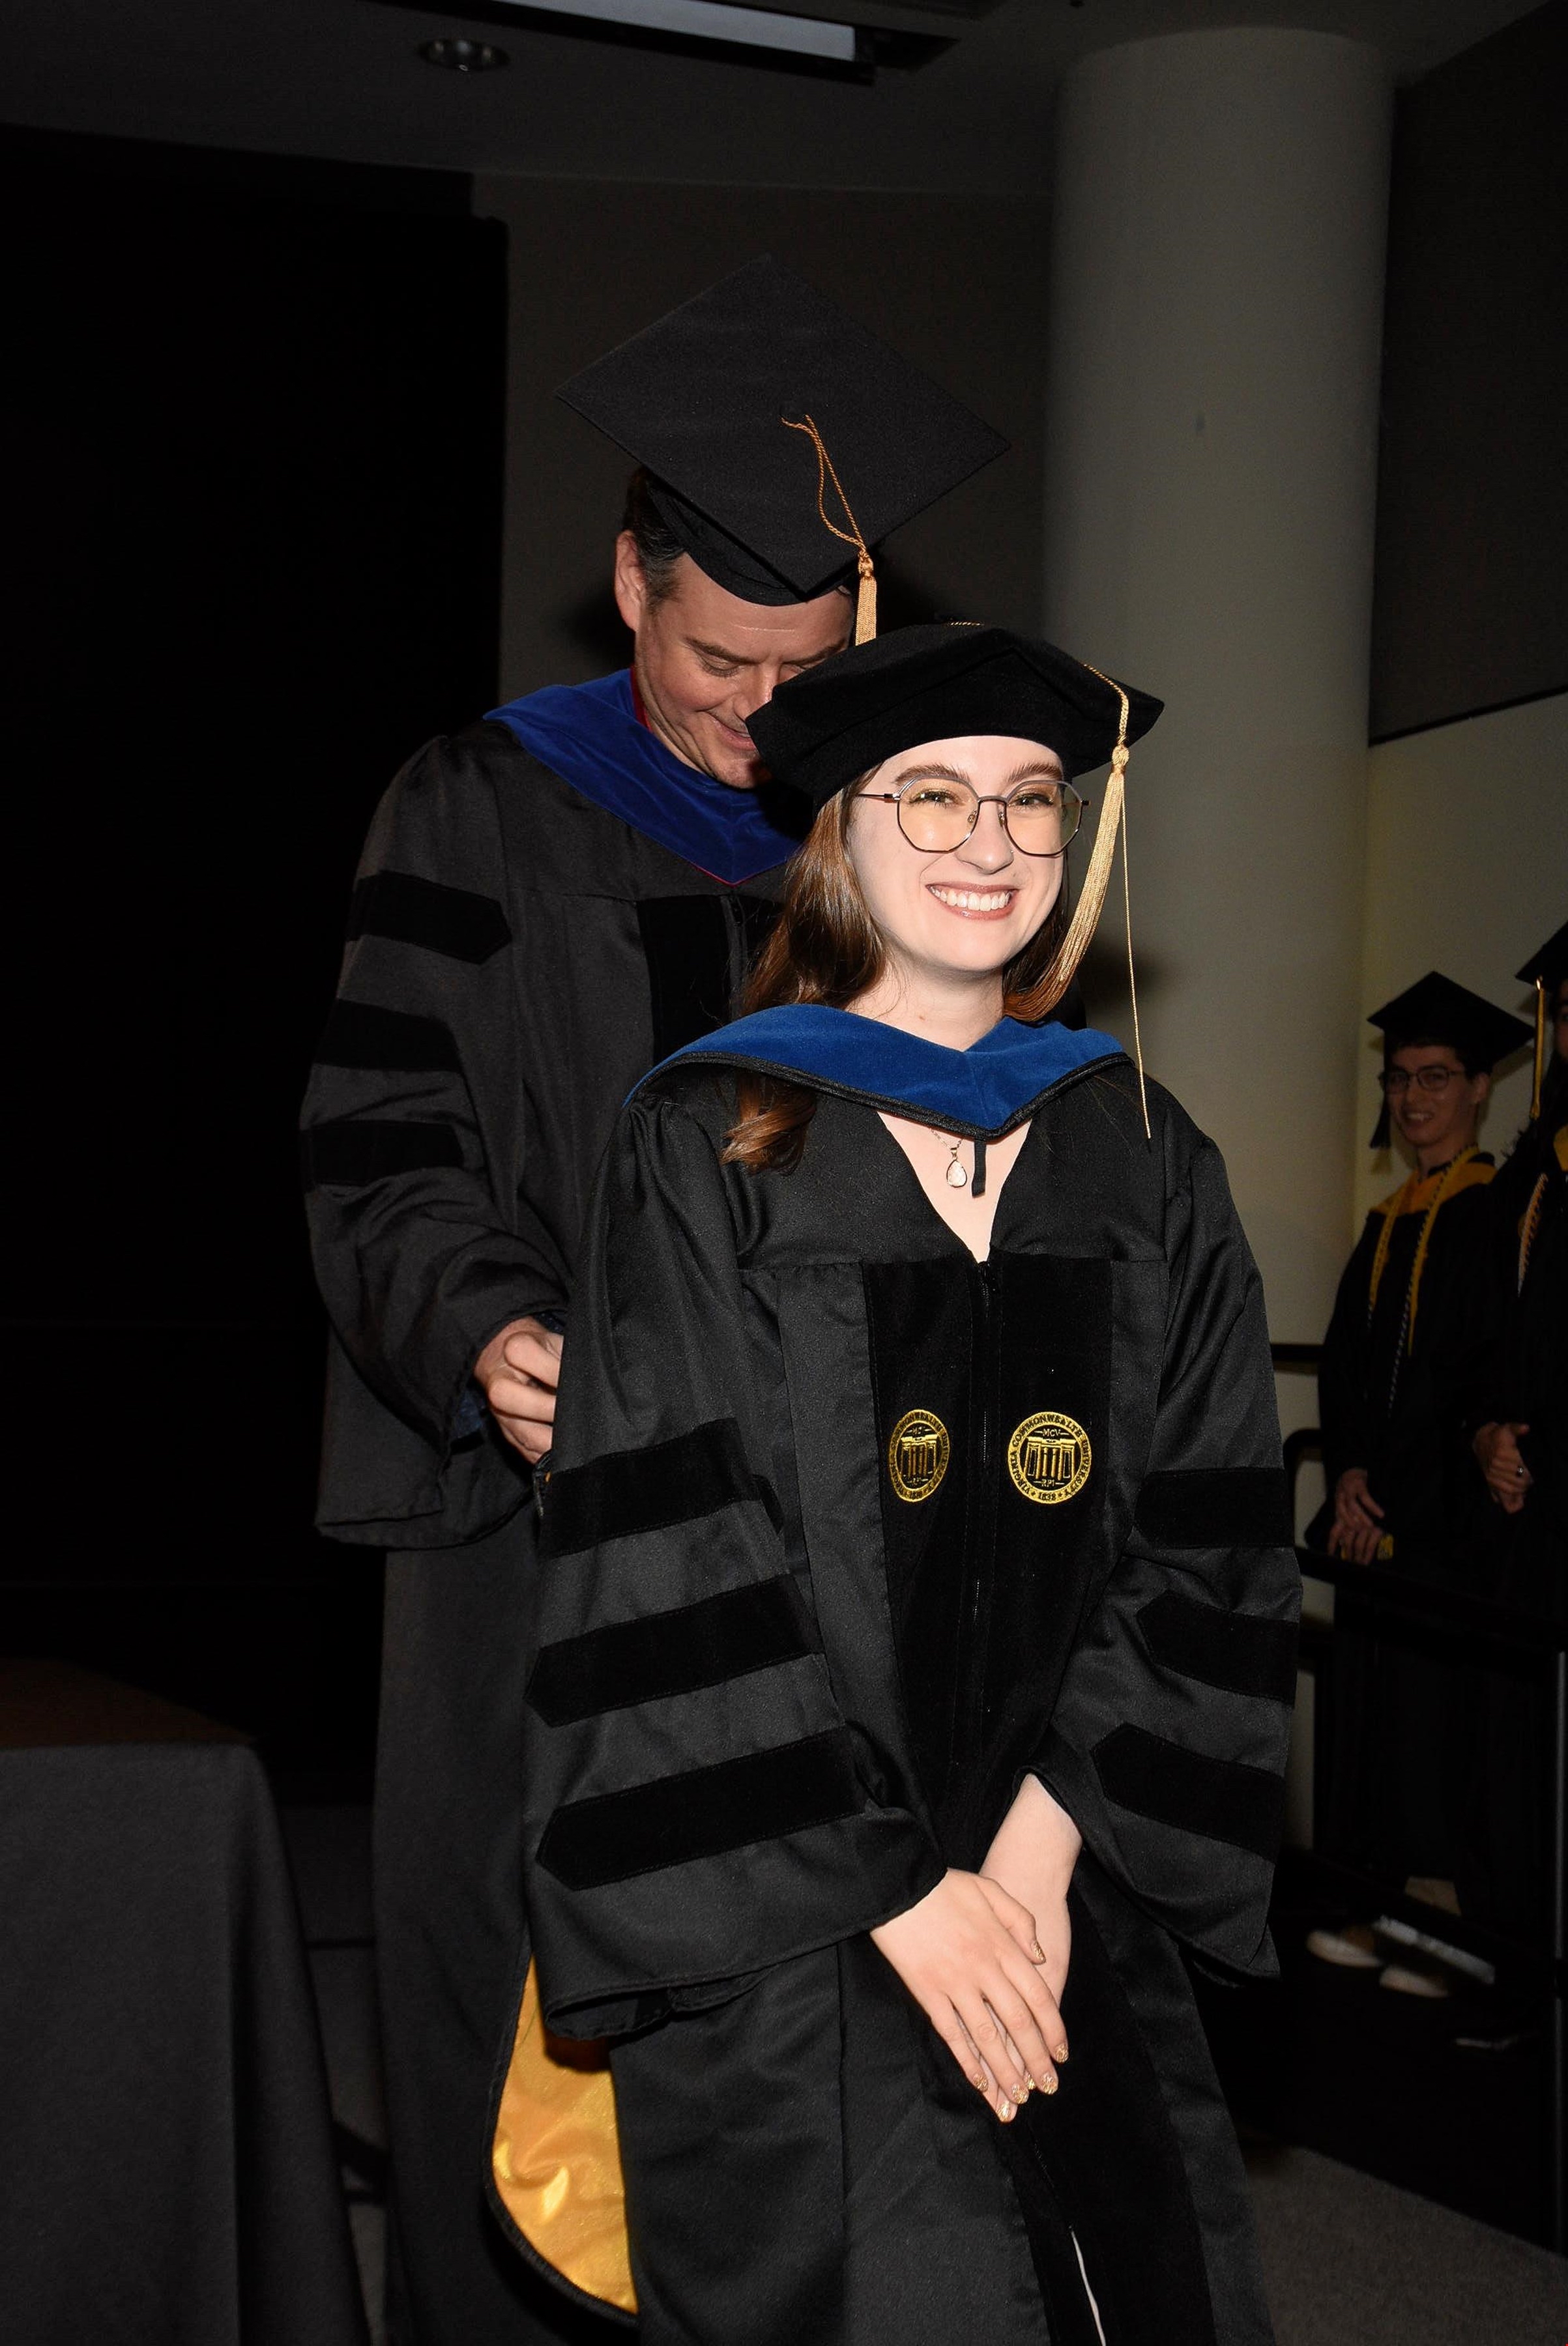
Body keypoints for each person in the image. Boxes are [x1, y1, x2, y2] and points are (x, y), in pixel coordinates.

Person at [300, 259, 1005, 2344]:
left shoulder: (901, 842)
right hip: (544, 1521)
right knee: (511, 1996)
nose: (752, 716)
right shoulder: (480, 803)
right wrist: (488, 1334)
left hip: (825, 1538)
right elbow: (378, 1138)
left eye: (800, 668)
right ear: (629, 583)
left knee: (806, 1996)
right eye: (714, 658)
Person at [511, 623, 1299, 2346]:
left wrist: (1034, 1845)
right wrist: (894, 1886)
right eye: (926, 795)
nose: (987, 841)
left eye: (1027, 801)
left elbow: (1210, 1530)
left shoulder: (1146, 1153)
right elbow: (670, 1555)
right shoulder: (713, 1141)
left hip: (1065, 1869)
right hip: (796, 1904)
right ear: (838, 832)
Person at [1307, 974, 1530, 1985]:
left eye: (1434, 1077)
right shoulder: (1386, 1219)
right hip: (1378, 1516)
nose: (1412, 1098)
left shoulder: (1499, 1216)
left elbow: (1481, 1377)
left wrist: (1396, 1496)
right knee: (1370, 1717)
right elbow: (1352, 1375)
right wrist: (1348, 1472)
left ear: (1481, 1088)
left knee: (1441, 1727)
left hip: (1449, 1529)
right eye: (1399, 1079)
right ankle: (1375, 1899)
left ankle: (1447, 1926)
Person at [1459, 920, 1568, 1940]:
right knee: (1519, 1749)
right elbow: (1488, 1346)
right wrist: (1488, 1434)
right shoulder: (1529, 1181)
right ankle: (1519, 1975)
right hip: (1521, 1518)